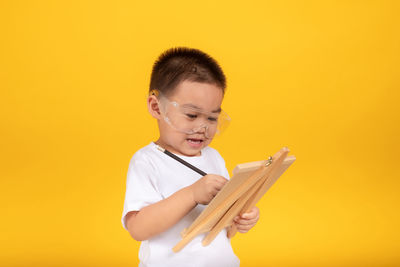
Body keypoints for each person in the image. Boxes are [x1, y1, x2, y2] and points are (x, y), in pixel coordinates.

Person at [121, 47, 260, 267]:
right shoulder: (147, 161)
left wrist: (239, 217)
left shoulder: (214, 158)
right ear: (156, 107)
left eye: (213, 118)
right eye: (191, 115)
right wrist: (192, 194)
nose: (202, 128)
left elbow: (222, 230)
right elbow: (138, 229)